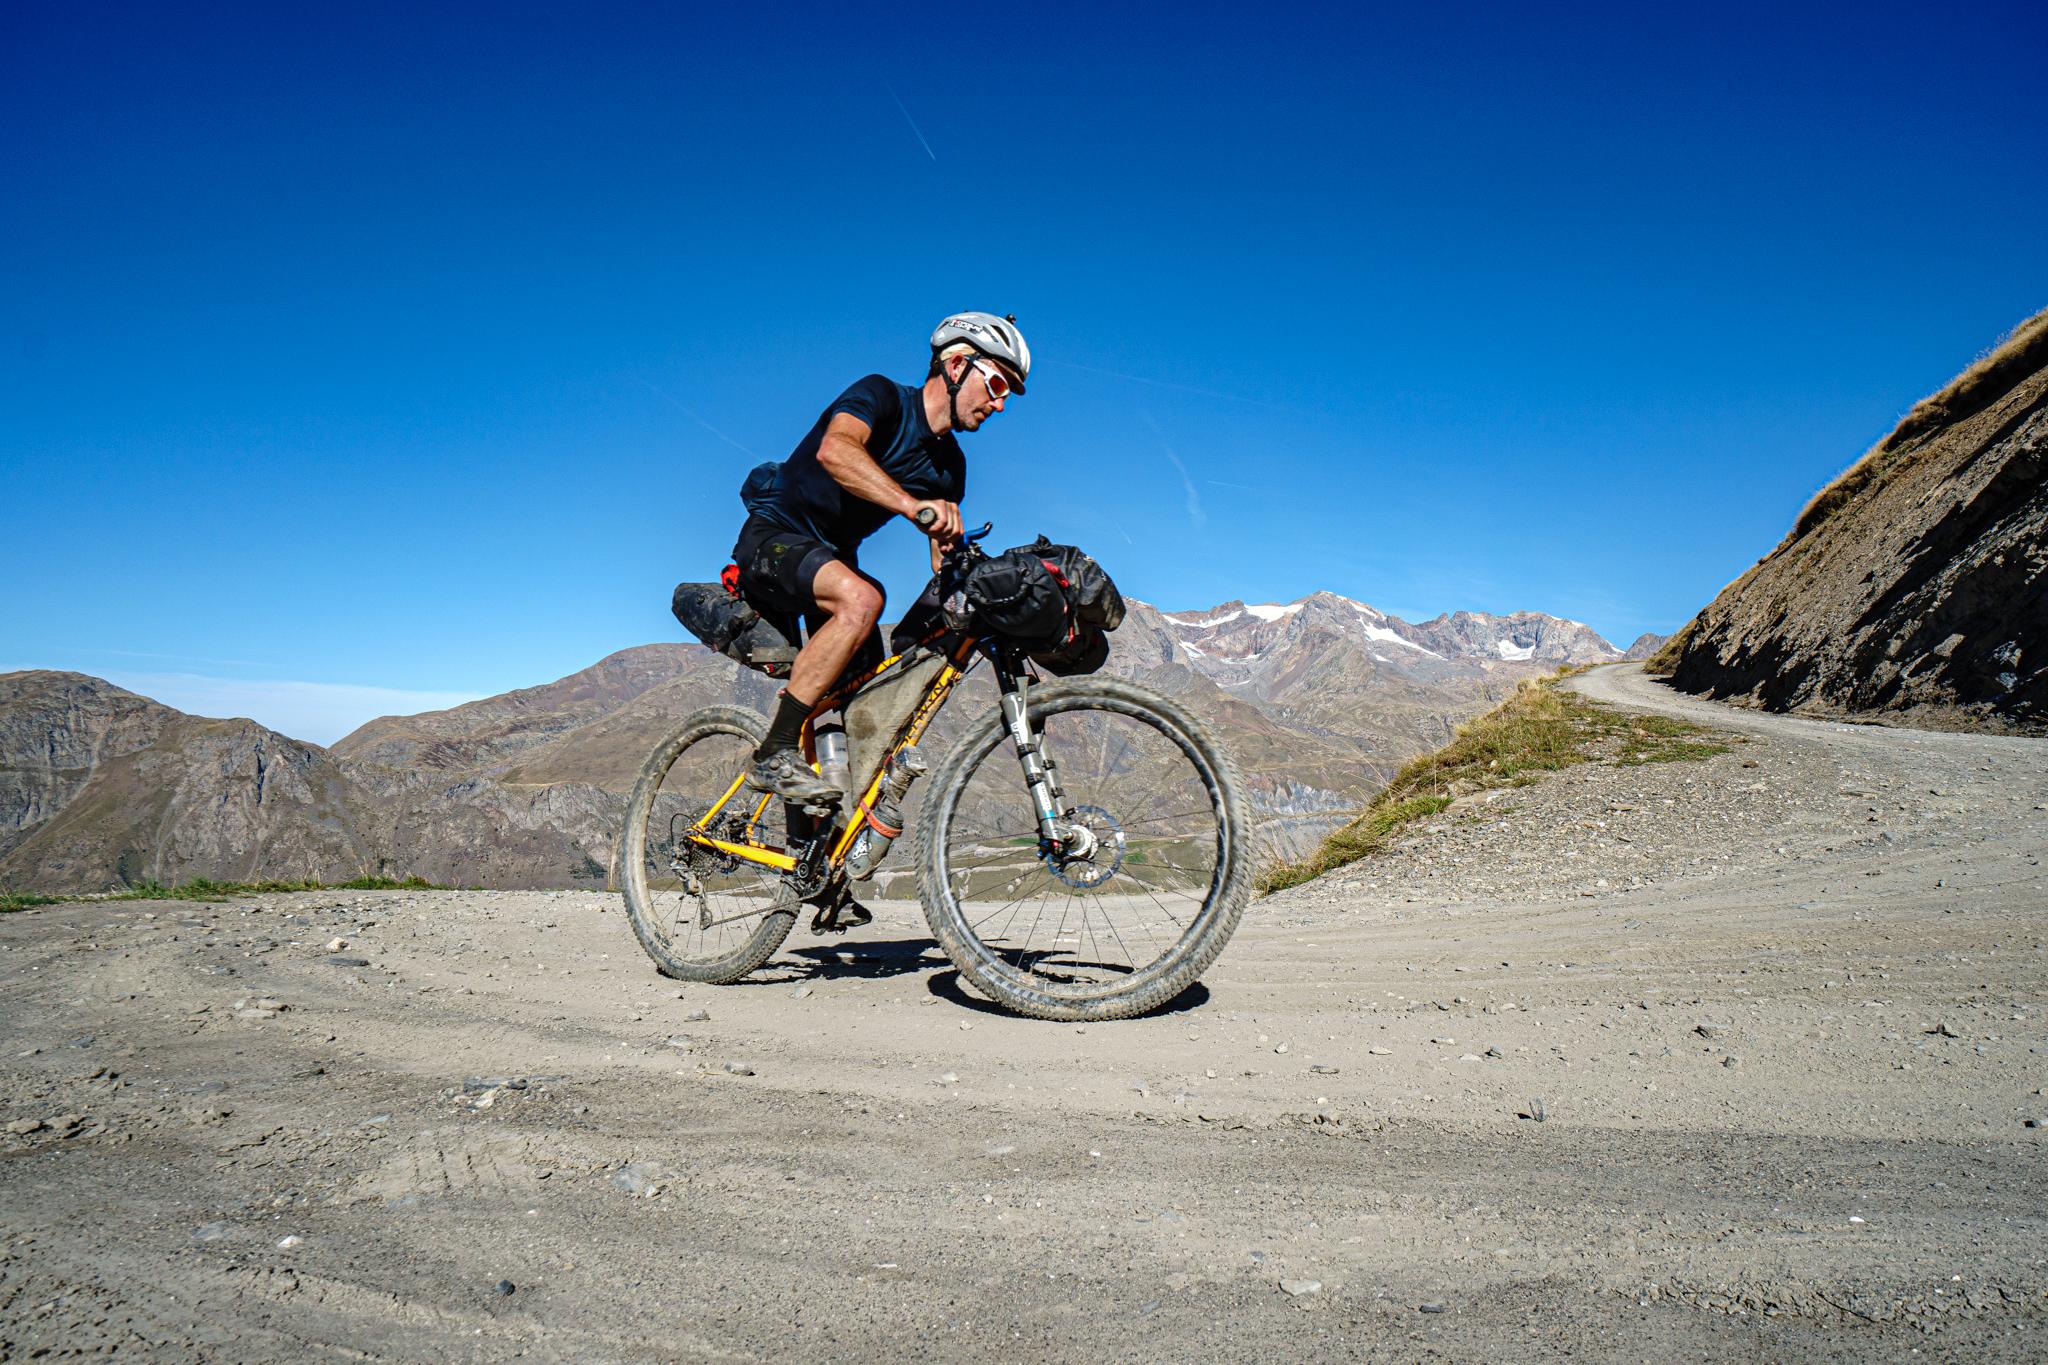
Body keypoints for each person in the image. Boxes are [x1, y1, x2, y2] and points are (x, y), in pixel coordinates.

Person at [731, 312, 1031, 802]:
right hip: (775, 539)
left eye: (1008, 395)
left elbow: (943, 561)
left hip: (831, 564)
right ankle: (773, 752)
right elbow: (836, 451)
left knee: (869, 700)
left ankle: (817, 853)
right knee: (865, 599)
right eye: (996, 384)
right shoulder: (882, 397)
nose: (999, 404)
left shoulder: (950, 468)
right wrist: (913, 506)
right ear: (956, 365)